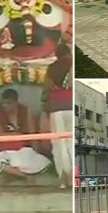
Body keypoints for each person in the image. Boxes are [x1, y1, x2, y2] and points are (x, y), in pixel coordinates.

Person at [0, 89, 51, 184]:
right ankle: (23, 175)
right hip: (4, 152)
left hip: (23, 151)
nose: (5, 106)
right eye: (3, 103)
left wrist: (36, 152)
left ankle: (16, 175)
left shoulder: (25, 111)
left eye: (8, 103)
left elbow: (32, 134)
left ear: (16, 103)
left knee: (38, 161)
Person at [45, 44, 73, 189]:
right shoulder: (73, 64)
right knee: (70, 143)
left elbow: (47, 86)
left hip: (56, 106)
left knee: (58, 144)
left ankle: (63, 179)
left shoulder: (52, 67)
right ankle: (73, 176)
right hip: (71, 106)